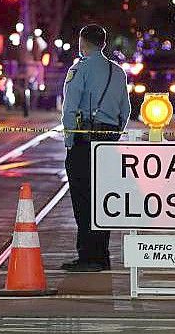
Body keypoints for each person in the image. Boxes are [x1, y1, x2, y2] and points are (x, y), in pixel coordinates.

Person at [61, 24, 131, 272]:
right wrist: (114, 135)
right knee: (103, 199)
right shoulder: (118, 72)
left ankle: (88, 256)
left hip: (84, 141)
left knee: (83, 198)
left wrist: (70, 141)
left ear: (83, 43)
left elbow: (69, 110)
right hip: (108, 141)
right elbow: (126, 110)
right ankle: (102, 255)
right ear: (103, 43)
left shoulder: (79, 69)